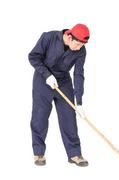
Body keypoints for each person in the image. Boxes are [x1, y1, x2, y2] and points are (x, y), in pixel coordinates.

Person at [28, 23, 90, 167]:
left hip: (63, 80)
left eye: (82, 45)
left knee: (69, 116)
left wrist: (79, 102)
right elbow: (33, 57)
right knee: (40, 116)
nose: (79, 48)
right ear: (69, 36)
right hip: (43, 79)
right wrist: (47, 75)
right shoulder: (48, 37)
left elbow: (78, 74)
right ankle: (39, 153)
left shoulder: (81, 50)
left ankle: (74, 154)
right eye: (78, 44)